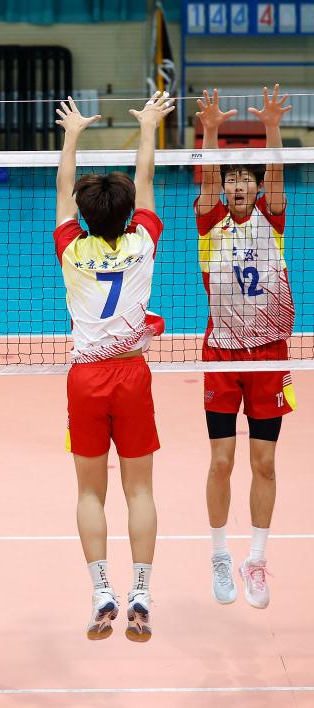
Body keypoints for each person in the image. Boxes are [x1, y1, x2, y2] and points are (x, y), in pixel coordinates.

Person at [54, 92, 174, 642]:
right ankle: (141, 593)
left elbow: (63, 189)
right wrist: (148, 126)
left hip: (85, 380)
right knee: (140, 490)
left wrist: (72, 134)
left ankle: (101, 589)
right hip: (132, 375)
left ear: (85, 214)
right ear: (129, 215)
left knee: (89, 491)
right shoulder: (143, 242)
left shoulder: (71, 249)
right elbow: (146, 180)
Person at [194, 85, 295, 609]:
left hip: (270, 355)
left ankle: (255, 559)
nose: (236, 184)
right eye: (230, 177)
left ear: (256, 188)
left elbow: (276, 175)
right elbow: (207, 179)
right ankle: (219, 554)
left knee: (265, 462)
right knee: (221, 461)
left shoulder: (271, 220)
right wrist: (211, 131)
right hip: (222, 354)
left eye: (245, 178)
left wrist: (272, 127)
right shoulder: (209, 222)